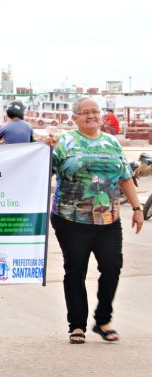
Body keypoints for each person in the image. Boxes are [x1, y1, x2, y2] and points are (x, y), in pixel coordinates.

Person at [45, 97, 142, 345]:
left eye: (95, 112)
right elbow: (41, 170)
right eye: (85, 112)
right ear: (75, 117)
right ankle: (76, 326)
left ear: (101, 116)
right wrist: (45, 149)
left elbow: (125, 176)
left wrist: (137, 207)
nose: (91, 116)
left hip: (109, 218)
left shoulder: (111, 143)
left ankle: (102, 319)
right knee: (75, 270)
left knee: (112, 268)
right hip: (70, 219)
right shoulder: (64, 142)